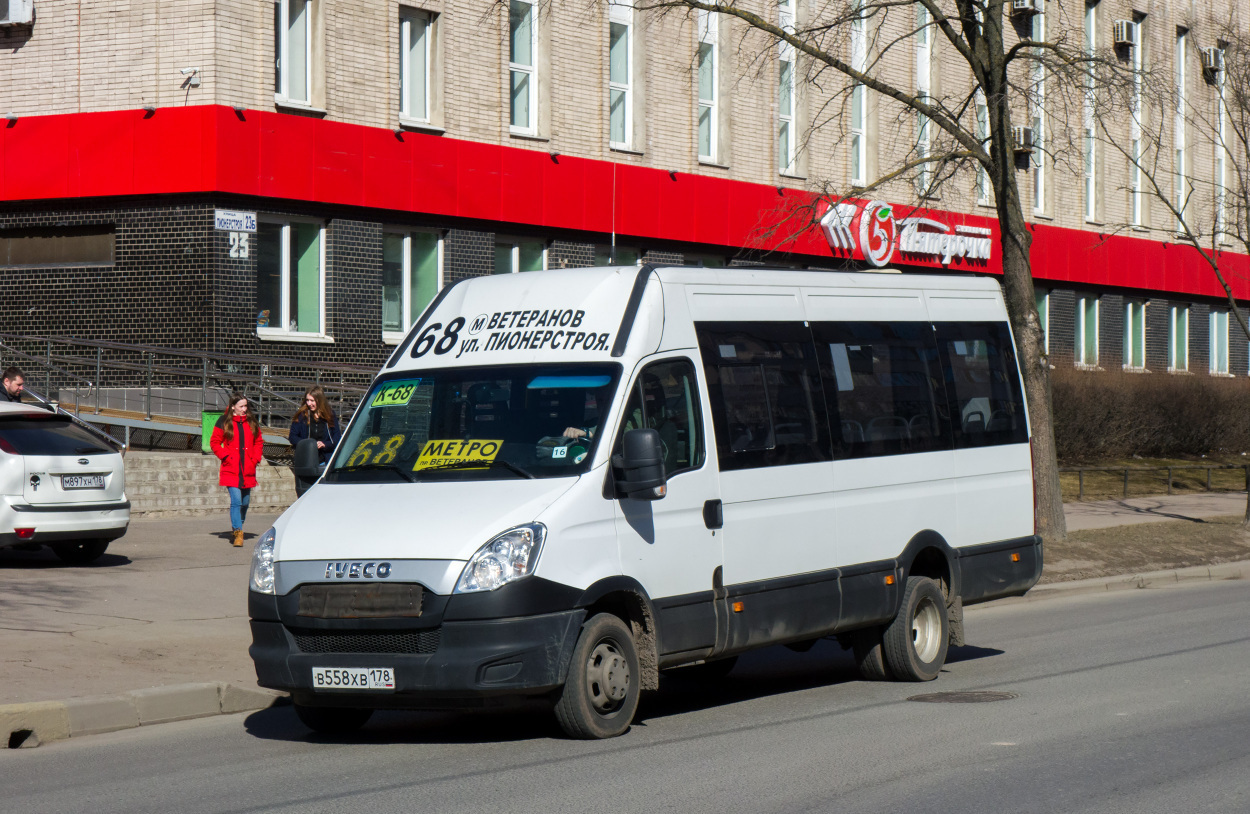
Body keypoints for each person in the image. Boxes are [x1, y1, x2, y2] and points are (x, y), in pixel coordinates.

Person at [210, 392, 264, 547]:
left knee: (245, 503)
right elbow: (214, 442)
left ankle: (238, 525)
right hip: (231, 468)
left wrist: (255, 458)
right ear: (233, 407)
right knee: (237, 501)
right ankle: (238, 532)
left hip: (248, 468)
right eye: (241, 406)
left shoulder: (251, 422)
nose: (244, 409)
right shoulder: (224, 421)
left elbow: (258, 441)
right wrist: (226, 456)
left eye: (246, 406)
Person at [288, 385, 341, 466]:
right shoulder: (301, 415)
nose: (309, 403)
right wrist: (309, 444)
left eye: (312, 400)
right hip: (306, 459)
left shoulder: (330, 415)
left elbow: (337, 438)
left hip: (325, 460)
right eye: (307, 400)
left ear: (319, 401)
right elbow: (292, 437)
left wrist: (325, 444)